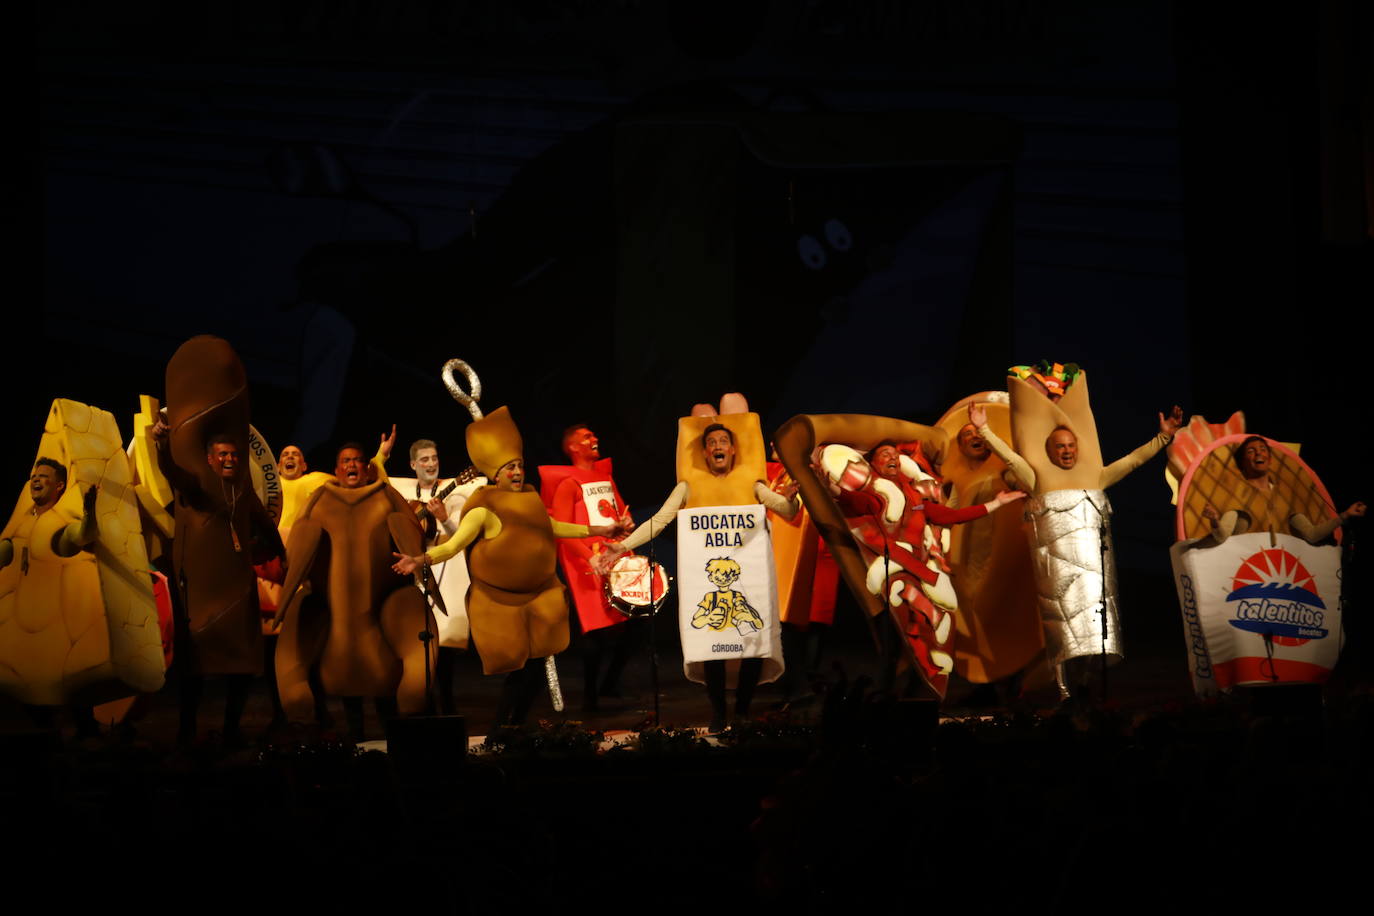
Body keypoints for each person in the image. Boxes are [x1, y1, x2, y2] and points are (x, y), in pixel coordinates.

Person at [391, 408, 624, 729]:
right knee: (520, 671)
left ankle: (512, 726)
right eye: (509, 467)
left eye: (519, 466)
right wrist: (419, 560)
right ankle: (501, 728)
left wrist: (602, 529)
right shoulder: (484, 507)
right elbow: (454, 545)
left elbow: (555, 526)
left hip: (537, 597)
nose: (516, 472)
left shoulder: (530, 498)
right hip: (500, 603)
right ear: (497, 474)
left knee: (535, 672)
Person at [968, 391, 1183, 698]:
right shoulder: (1037, 478)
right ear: (1050, 450)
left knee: (1095, 628)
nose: (1067, 451)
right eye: (1060, 446)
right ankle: (1063, 690)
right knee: (1060, 630)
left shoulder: (1095, 476)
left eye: (1071, 445)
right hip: (1055, 569)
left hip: (1093, 567)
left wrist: (1163, 438)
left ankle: (1084, 684)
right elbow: (1010, 458)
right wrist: (984, 429)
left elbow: (1133, 460)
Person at [597, 407, 799, 733]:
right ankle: (719, 712)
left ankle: (742, 711)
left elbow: (786, 511)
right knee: (712, 646)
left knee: (754, 644)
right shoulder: (689, 486)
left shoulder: (752, 483)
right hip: (707, 585)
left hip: (749, 582)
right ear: (705, 452)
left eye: (723, 441)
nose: (718, 446)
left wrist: (791, 500)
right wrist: (622, 546)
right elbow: (659, 520)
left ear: (733, 450)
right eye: (712, 442)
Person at [274, 431, 441, 740]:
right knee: (349, 708)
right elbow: (299, 541)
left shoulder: (385, 496)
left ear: (365, 468)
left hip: (384, 614)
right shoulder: (320, 499)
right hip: (333, 623)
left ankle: (400, 735)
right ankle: (345, 737)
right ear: (337, 469)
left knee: (392, 700)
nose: (351, 465)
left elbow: (413, 534)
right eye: (345, 461)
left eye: (357, 461)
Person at [827, 440, 1024, 697]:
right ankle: (883, 696)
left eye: (895, 454)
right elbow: (856, 502)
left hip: (920, 572)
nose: (893, 458)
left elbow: (951, 516)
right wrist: (834, 489)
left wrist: (996, 503)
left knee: (928, 632)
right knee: (894, 641)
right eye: (885, 454)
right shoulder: (877, 495)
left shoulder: (915, 498)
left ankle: (918, 692)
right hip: (893, 574)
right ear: (873, 463)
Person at [154, 422, 285, 746]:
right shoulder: (197, 485)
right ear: (210, 459)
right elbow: (172, 472)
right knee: (195, 666)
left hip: (237, 591)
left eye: (233, 455)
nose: (229, 459)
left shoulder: (243, 491)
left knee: (242, 666)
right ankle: (186, 732)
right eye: (222, 455)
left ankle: (231, 729)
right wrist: (162, 446)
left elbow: (267, 528)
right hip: (203, 593)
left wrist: (275, 555)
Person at [540, 424, 638, 712]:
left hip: (614, 555)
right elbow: (562, 531)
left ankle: (610, 682)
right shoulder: (569, 483)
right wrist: (588, 557)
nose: (594, 438)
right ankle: (590, 697)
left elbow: (621, 512)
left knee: (635, 621)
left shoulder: (605, 477)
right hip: (587, 561)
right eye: (586, 437)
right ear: (573, 447)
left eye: (594, 435)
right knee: (596, 631)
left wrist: (627, 523)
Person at [385, 437, 484, 715]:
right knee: (418, 642)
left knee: (445, 644)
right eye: (424, 459)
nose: (431, 464)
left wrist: (444, 518)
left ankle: (448, 705)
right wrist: (382, 456)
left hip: (447, 566)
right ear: (413, 464)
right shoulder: (404, 495)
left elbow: (462, 537)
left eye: (434, 458)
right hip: (414, 568)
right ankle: (422, 705)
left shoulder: (457, 492)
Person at [1201, 436, 1366, 543]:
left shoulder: (1285, 496)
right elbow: (1222, 536)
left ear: (1270, 460)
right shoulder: (1236, 496)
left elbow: (1311, 534)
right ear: (1243, 462)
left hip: (1280, 572)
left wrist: (1345, 515)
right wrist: (1214, 520)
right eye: (1251, 451)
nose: (1258, 453)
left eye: (1263, 449)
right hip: (1245, 570)